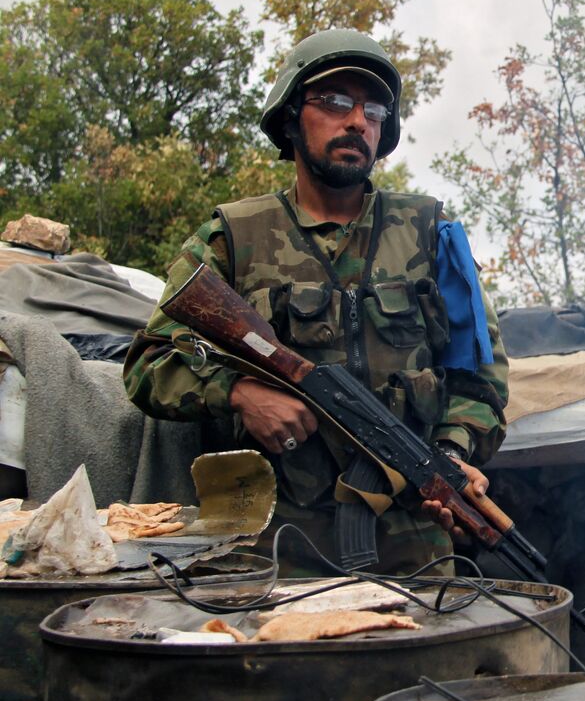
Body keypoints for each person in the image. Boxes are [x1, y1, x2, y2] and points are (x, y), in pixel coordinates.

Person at [124, 29, 508, 575]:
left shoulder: (430, 234)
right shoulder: (234, 237)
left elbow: (481, 380)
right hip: (267, 547)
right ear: (289, 118)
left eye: (374, 109)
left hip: (412, 553)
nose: (357, 121)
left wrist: (449, 456)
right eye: (333, 102)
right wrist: (239, 394)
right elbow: (148, 365)